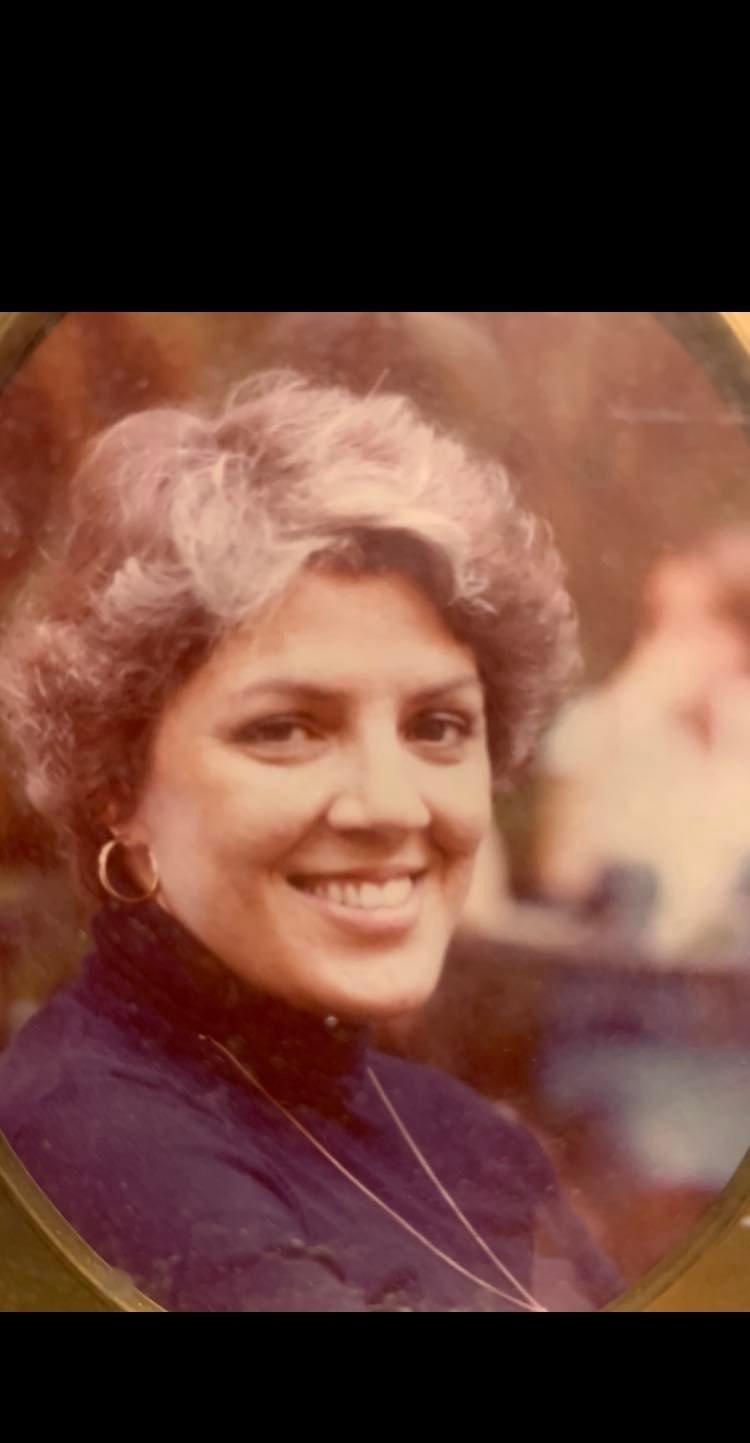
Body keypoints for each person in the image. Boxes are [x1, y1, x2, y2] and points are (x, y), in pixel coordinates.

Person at [0, 370, 620, 1311]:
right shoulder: (90, 1141)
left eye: (437, 726)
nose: (391, 806)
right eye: (286, 728)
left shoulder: (473, 1143)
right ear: (117, 786)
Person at [533, 529, 750, 957]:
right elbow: (562, 874)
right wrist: (624, 721)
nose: (665, 646)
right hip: (629, 976)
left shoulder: (740, 728)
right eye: (655, 623)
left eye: (691, 627)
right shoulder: (600, 725)